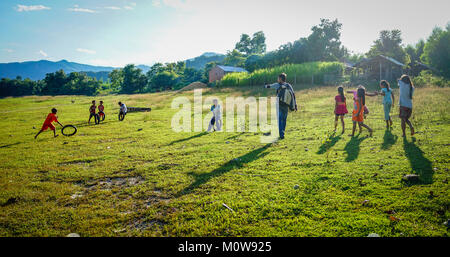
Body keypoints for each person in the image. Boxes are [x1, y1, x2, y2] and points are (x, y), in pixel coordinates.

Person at [264, 73, 297, 140]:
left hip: (279, 104)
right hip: (286, 105)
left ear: (280, 79)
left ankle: (281, 134)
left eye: (278, 78)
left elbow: (268, 86)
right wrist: (295, 105)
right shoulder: (288, 85)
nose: (277, 79)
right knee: (284, 119)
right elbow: (293, 95)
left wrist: (265, 85)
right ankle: (283, 133)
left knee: (279, 119)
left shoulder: (277, 85)